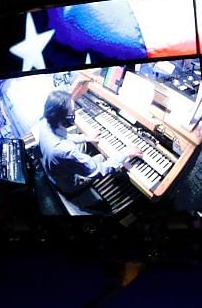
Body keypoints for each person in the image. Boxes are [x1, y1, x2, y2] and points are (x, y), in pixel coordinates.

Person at [37, 86, 140, 214]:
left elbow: (63, 135)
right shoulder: (65, 150)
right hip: (70, 184)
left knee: (92, 151)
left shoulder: (45, 122)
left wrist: (85, 137)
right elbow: (98, 170)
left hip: (56, 172)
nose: (74, 113)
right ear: (62, 116)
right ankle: (125, 188)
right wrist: (125, 153)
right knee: (104, 157)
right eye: (72, 111)